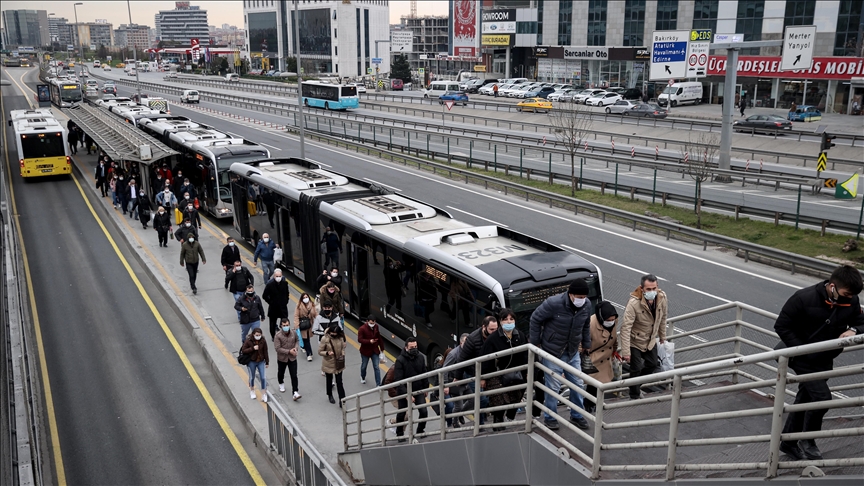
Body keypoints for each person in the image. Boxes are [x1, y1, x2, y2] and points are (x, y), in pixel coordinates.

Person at [774, 265, 864, 461]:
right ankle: (808, 440)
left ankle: (788, 443)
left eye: (852, 295)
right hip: (802, 358)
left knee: (805, 399)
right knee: (821, 398)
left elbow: (861, 321)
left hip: (825, 357)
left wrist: (854, 330)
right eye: (846, 293)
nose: (849, 298)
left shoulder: (851, 300)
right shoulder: (803, 298)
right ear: (832, 286)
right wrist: (802, 350)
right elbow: (782, 325)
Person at [529, 278, 592, 431]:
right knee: (553, 387)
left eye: (584, 297)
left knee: (577, 384)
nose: (581, 300)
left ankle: (577, 415)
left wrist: (586, 344)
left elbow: (585, 325)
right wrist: (536, 342)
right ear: (570, 294)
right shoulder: (553, 303)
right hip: (552, 352)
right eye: (579, 297)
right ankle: (550, 418)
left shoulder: (587, 305)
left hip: (572, 351)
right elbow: (535, 319)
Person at [479, 308, 528, 431]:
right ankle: (498, 421)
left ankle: (510, 415)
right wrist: (483, 377)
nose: (508, 322)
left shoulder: (520, 335)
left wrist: (527, 371)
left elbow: (526, 354)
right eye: (505, 319)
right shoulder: (493, 339)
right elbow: (486, 360)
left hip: (516, 371)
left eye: (511, 319)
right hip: (497, 373)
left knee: (516, 394)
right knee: (499, 399)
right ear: (500, 321)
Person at [620, 274, 667, 400]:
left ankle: (635, 385)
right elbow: (625, 328)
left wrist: (663, 337)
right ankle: (634, 395)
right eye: (649, 289)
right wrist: (626, 352)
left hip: (651, 340)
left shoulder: (662, 298)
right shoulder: (633, 303)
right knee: (636, 368)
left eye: (654, 288)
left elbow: (663, 318)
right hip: (635, 341)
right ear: (642, 289)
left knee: (652, 364)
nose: (652, 292)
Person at [455, 316, 498, 425]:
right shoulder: (473, 339)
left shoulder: (496, 336)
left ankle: (488, 420)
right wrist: (457, 377)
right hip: (473, 373)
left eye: (496, 329)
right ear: (484, 327)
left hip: (489, 371)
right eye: (491, 329)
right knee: (481, 399)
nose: (494, 332)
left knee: (493, 396)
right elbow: (462, 359)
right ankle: (480, 423)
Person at [584, 301, 620, 414]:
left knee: (597, 385)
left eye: (612, 320)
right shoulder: (590, 324)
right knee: (592, 384)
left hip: (605, 358)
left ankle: (591, 404)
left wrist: (615, 350)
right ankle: (587, 404)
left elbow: (613, 338)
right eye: (608, 320)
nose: (611, 322)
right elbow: (581, 344)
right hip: (592, 358)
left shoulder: (614, 321)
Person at [393, 337, 429, 440]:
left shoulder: (421, 357)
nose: (414, 349)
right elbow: (398, 380)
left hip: (418, 390)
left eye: (416, 347)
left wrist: (425, 388)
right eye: (412, 347)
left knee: (424, 411)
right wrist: (407, 394)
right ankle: (399, 434)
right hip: (404, 391)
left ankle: (420, 430)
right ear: (406, 348)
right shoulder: (400, 360)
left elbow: (424, 373)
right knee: (402, 413)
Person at [442, 333, 469, 428]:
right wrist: (445, 385)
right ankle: (455, 421)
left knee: (474, 400)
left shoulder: (469, 351)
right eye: (466, 342)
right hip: (456, 382)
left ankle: (459, 413)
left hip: (467, 381)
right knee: (459, 406)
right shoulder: (453, 354)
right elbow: (444, 369)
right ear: (461, 342)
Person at [319, 324, 347, 406]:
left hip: (339, 363)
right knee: (329, 379)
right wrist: (327, 353)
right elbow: (320, 351)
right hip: (329, 362)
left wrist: (342, 354)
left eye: (335, 333)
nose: (334, 334)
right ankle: (330, 394)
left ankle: (342, 399)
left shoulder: (340, 338)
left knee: (339, 382)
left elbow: (342, 348)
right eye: (332, 333)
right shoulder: (325, 339)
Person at [273, 318, 301, 400]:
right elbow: (277, 348)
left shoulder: (293, 333)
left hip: (292, 358)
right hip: (282, 358)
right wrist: (289, 351)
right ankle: (281, 382)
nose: (286, 327)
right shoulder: (278, 336)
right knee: (281, 372)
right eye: (284, 325)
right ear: (281, 326)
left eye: (287, 325)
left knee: (294, 375)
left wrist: (295, 348)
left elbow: (297, 340)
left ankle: (295, 391)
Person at [241, 327, 269, 402]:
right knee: (252, 377)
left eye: (259, 335)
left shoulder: (263, 341)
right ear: (253, 334)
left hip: (261, 361)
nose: (258, 336)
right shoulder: (248, 341)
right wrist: (253, 348)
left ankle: (264, 393)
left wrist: (267, 361)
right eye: (257, 335)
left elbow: (265, 351)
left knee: (263, 377)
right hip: (251, 362)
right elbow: (244, 350)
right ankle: (252, 390)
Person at [262, 268, 290, 340]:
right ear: (274, 276)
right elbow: (264, 295)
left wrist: (286, 301)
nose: (278, 278)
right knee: (272, 323)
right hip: (273, 308)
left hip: (282, 307)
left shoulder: (284, 284)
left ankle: (285, 334)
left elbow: (287, 293)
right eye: (277, 276)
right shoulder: (270, 285)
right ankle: (273, 336)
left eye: (279, 276)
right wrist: (271, 302)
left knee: (285, 322)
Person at [357, 315, 385, 386]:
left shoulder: (376, 327)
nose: (373, 325)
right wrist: (369, 341)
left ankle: (378, 384)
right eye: (371, 323)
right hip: (365, 351)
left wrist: (382, 349)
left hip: (375, 350)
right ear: (367, 321)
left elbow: (379, 337)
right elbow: (360, 339)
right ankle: (362, 377)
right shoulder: (362, 329)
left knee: (376, 367)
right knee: (364, 366)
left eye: (374, 323)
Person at [294, 292, 318, 361]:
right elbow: (296, 316)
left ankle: (306, 348)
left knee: (307, 339)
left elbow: (315, 314)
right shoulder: (299, 306)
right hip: (303, 325)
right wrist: (296, 325)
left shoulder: (312, 305)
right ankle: (309, 354)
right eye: (304, 298)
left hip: (309, 325)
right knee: (306, 339)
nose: (305, 299)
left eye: (306, 297)